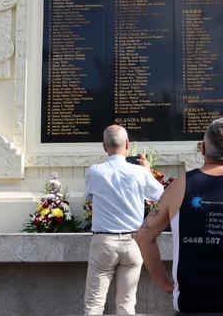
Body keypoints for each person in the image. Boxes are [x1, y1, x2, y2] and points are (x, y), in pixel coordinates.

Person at [135, 118, 223, 315]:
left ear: (203, 149)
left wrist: (166, 284)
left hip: (190, 305)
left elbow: (143, 236)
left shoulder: (178, 187)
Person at [83, 125, 165, 315]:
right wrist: (147, 171)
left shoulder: (93, 172)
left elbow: (88, 198)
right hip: (133, 243)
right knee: (127, 306)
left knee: (94, 304)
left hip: (104, 242)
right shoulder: (140, 172)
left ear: (104, 146)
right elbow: (161, 195)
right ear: (127, 144)